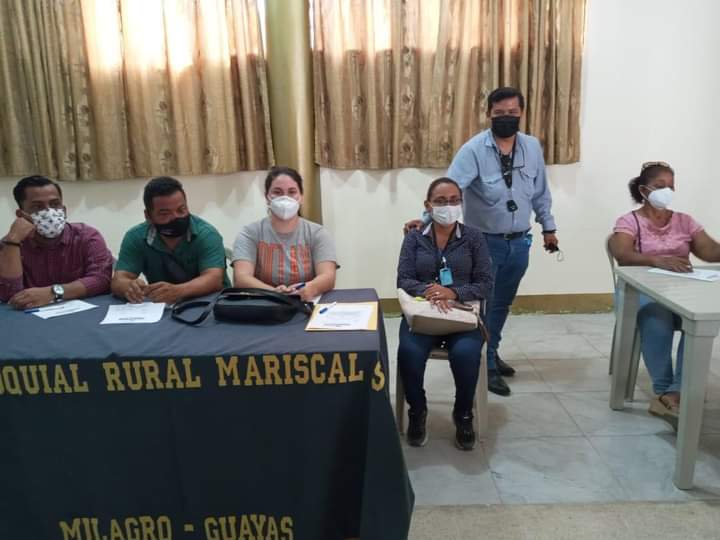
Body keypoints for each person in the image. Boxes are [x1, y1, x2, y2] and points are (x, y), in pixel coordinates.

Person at [405, 87, 558, 396]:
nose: (506, 118)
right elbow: (448, 190)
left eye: (512, 113)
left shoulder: (531, 147)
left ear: (521, 113)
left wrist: (548, 228)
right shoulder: (474, 150)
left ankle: (492, 351)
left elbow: (541, 192)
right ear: (489, 113)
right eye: (499, 113)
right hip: (484, 243)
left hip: (519, 242)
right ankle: (484, 365)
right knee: (483, 305)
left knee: (502, 304)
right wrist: (425, 221)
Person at [609, 161, 720, 427]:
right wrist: (656, 260)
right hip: (640, 292)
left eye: (671, 186)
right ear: (643, 190)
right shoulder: (630, 221)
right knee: (656, 319)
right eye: (660, 186)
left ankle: (674, 393)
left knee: (699, 322)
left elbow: (709, 251)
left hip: (681, 291)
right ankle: (665, 389)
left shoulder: (684, 221)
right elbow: (622, 254)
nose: (667, 191)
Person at [397, 178, 493, 451]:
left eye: (453, 200)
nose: (447, 206)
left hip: (461, 315)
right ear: (428, 205)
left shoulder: (474, 238)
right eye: (440, 201)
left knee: (465, 355)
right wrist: (430, 291)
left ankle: (463, 413)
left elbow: (485, 283)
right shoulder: (414, 238)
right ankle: (417, 411)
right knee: (409, 353)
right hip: (424, 314)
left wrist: (453, 292)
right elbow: (404, 279)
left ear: (461, 203)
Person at [0, 175, 113, 309]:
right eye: (37, 207)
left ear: (64, 210)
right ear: (21, 215)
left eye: (55, 204)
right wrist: (13, 242)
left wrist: (53, 293)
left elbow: (101, 279)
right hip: (30, 316)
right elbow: (9, 295)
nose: (49, 212)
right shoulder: (10, 245)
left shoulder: (87, 236)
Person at [112, 176, 229, 304]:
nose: (175, 218)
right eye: (165, 213)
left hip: (209, 303)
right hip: (161, 307)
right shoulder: (136, 237)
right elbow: (118, 280)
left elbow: (213, 279)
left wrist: (178, 291)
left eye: (181, 210)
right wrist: (129, 287)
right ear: (148, 216)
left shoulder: (206, 234)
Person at [232, 166, 337, 302]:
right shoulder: (249, 233)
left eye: (292, 192)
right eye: (277, 192)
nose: (285, 198)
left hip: (307, 303)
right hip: (264, 303)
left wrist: (311, 288)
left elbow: (328, 276)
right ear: (267, 197)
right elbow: (241, 278)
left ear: (301, 197)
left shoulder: (318, 233)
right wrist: (274, 293)